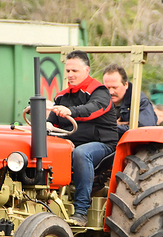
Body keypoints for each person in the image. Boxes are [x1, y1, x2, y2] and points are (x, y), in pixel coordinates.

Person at [46, 50, 117, 227]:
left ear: (87, 70)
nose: (70, 75)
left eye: (74, 71)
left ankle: (81, 211)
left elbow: (93, 109)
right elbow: (50, 124)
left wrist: (71, 111)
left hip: (103, 146)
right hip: (70, 144)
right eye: (68, 71)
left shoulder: (100, 92)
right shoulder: (62, 96)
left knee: (81, 153)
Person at [102, 64, 157, 135]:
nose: (111, 92)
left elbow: (145, 129)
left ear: (126, 85)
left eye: (115, 87)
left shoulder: (139, 101)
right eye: (107, 88)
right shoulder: (100, 100)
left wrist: (111, 127)